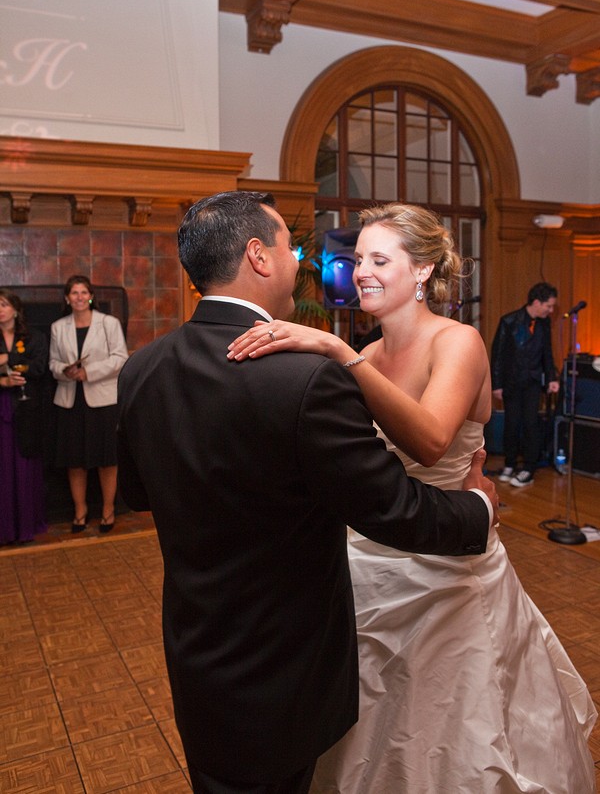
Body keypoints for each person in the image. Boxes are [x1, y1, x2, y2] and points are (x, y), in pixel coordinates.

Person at [116, 190, 498, 794]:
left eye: (378, 259)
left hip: (199, 648)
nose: (306, 261)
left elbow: (141, 495)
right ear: (258, 256)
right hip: (286, 656)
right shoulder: (308, 375)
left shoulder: (141, 368)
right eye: (290, 248)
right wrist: (479, 507)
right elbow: (389, 504)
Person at [228, 204, 597, 794]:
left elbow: (429, 441)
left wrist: (337, 353)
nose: (362, 273)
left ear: (423, 270)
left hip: (448, 568)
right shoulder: (368, 355)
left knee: (451, 731)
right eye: (358, 260)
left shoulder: (456, 342)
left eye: (380, 260)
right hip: (363, 566)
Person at [49, 275, 128, 533]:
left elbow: (120, 358)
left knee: (107, 459)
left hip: (103, 402)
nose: (79, 297)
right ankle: (80, 511)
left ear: (91, 296)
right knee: (75, 461)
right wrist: (66, 370)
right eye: (74, 293)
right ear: (67, 298)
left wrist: (89, 372)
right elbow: (53, 363)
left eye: (84, 292)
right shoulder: (58, 327)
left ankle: (108, 510)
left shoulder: (108, 323)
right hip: (70, 401)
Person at [491, 282, 559, 488]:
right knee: (511, 424)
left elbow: (547, 353)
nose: (551, 310)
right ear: (536, 302)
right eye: (548, 306)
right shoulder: (509, 321)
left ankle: (529, 467)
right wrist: (497, 385)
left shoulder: (544, 324)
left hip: (532, 383)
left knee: (531, 424)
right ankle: (510, 463)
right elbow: (498, 356)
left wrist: (552, 377)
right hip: (512, 382)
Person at [0, 288, 48, 545]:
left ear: (16, 310)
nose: (0, 310)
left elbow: (39, 367)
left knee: (24, 466)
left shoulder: (33, 337)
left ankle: (26, 525)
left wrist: (6, 358)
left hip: (27, 410)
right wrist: (3, 381)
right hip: (2, 407)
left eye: (4, 304)